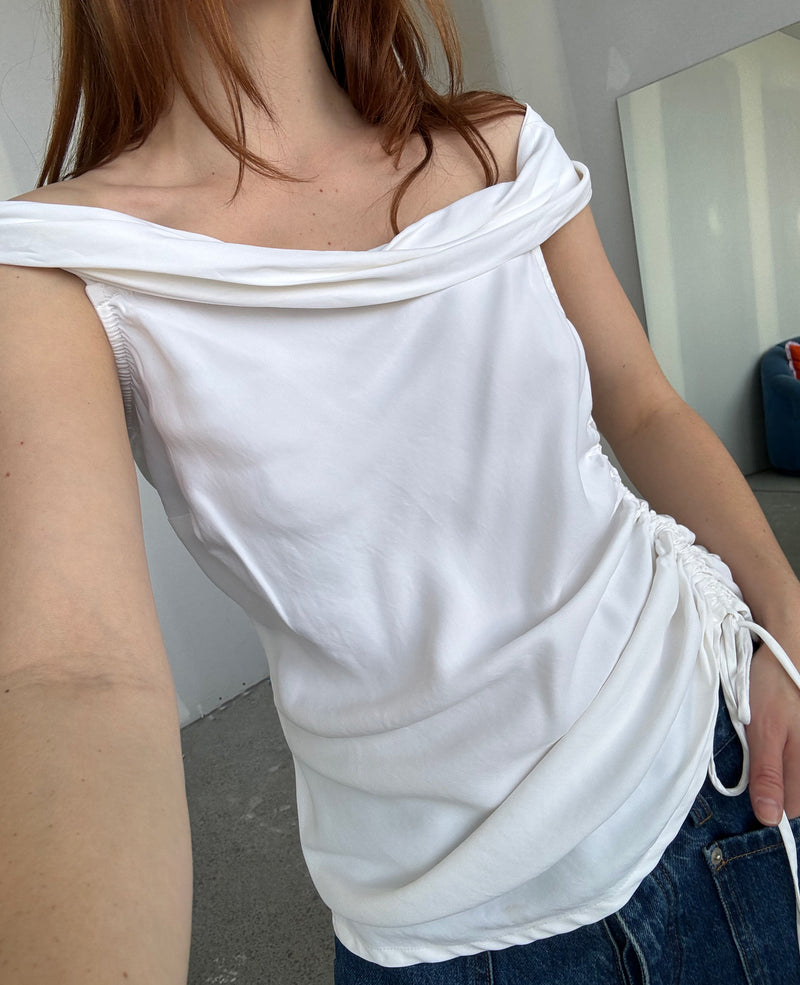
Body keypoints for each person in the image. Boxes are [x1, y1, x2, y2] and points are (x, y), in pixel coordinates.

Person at [1, 0, 800, 982]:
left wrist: (784, 617)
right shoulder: (54, 269)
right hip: (444, 928)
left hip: (714, 774)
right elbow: (72, 677)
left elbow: (642, 408)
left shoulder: (499, 149)